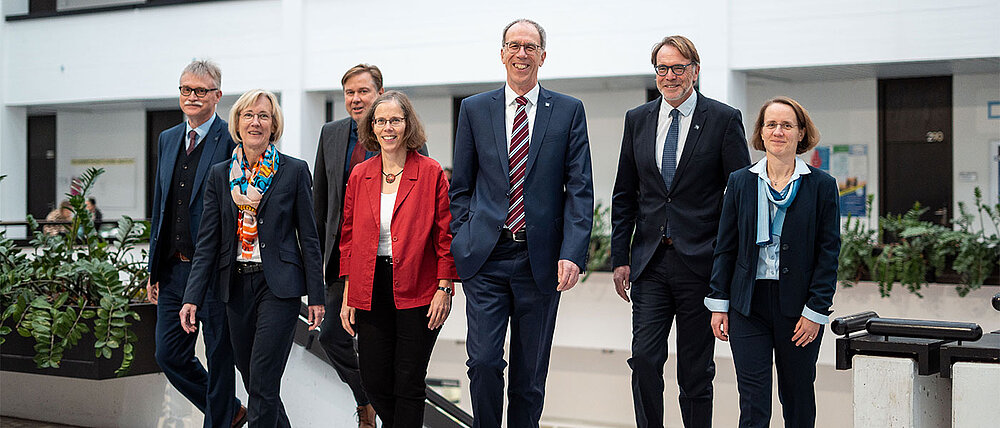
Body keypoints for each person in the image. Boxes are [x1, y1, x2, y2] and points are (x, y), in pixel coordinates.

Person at [449, 18, 594, 428]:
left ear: (543, 56)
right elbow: (460, 186)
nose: (522, 54)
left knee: (529, 377)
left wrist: (573, 253)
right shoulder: (475, 109)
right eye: (514, 46)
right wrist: (463, 236)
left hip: (541, 261)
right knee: (482, 362)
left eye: (530, 47)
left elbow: (580, 188)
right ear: (502, 54)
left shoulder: (568, 111)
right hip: (486, 258)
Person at [610, 35, 750, 428]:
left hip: (699, 264)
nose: (669, 76)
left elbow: (739, 197)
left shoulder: (723, 119)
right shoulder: (637, 119)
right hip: (650, 263)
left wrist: (729, 264)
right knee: (644, 360)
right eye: (662, 69)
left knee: (695, 370)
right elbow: (624, 194)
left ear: (695, 71)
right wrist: (620, 259)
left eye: (678, 68)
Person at [180, 89, 326, 428]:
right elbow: (207, 242)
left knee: (262, 379)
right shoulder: (220, 175)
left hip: (279, 288)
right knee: (252, 378)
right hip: (234, 287)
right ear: (237, 122)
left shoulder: (293, 170)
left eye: (263, 115)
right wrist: (192, 297)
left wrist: (317, 296)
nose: (255, 122)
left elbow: (309, 237)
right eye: (248, 115)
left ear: (274, 124)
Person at [705, 97, 839, 428]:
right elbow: (726, 247)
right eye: (770, 124)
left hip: (799, 309)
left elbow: (828, 253)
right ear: (761, 133)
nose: (778, 131)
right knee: (753, 400)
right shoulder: (740, 182)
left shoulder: (821, 186)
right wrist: (719, 304)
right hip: (747, 306)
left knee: (797, 397)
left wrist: (815, 311)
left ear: (801, 133)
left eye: (786, 125)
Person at [338, 90, 458, 428]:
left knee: (409, 380)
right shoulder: (361, 175)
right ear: (371, 128)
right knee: (374, 380)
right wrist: (349, 293)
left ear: (407, 125)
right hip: (370, 285)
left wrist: (444, 287)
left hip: (419, 287)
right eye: (381, 121)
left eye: (395, 120)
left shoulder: (431, 171)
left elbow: (444, 234)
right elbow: (347, 237)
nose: (387, 127)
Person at [313, 64, 423, 427]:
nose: (356, 99)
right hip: (342, 259)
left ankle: (382, 402)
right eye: (349, 93)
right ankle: (366, 400)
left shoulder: (403, 134)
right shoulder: (330, 134)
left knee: (394, 355)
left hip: (393, 261)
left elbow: (422, 201)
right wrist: (315, 262)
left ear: (379, 93)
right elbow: (322, 201)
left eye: (363, 91)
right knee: (332, 334)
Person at [146, 60, 245, 428]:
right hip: (174, 270)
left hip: (216, 272)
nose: (191, 96)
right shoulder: (168, 138)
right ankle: (229, 411)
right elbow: (161, 203)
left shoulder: (233, 141)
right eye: (185, 89)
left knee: (221, 360)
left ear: (217, 96)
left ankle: (220, 419)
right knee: (168, 354)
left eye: (200, 90)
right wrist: (154, 268)